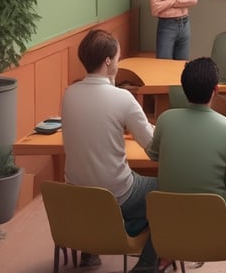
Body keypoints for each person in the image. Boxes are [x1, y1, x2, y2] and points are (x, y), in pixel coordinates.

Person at [62, 29, 164, 272]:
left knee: (94, 175)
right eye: (117, 58)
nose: (118, 63)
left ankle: (90, 248)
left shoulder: (69, 94)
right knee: (170, 189)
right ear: (108, 61)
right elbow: (153, 148)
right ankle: (149, 263)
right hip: (118, 195)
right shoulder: (122, 98)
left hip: (75, 195)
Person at [147, 57, 226, 223]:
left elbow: (154, 155)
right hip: (212, 217)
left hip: (170, 215)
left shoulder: (165, 120)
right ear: (216, 89)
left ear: (183, 87)